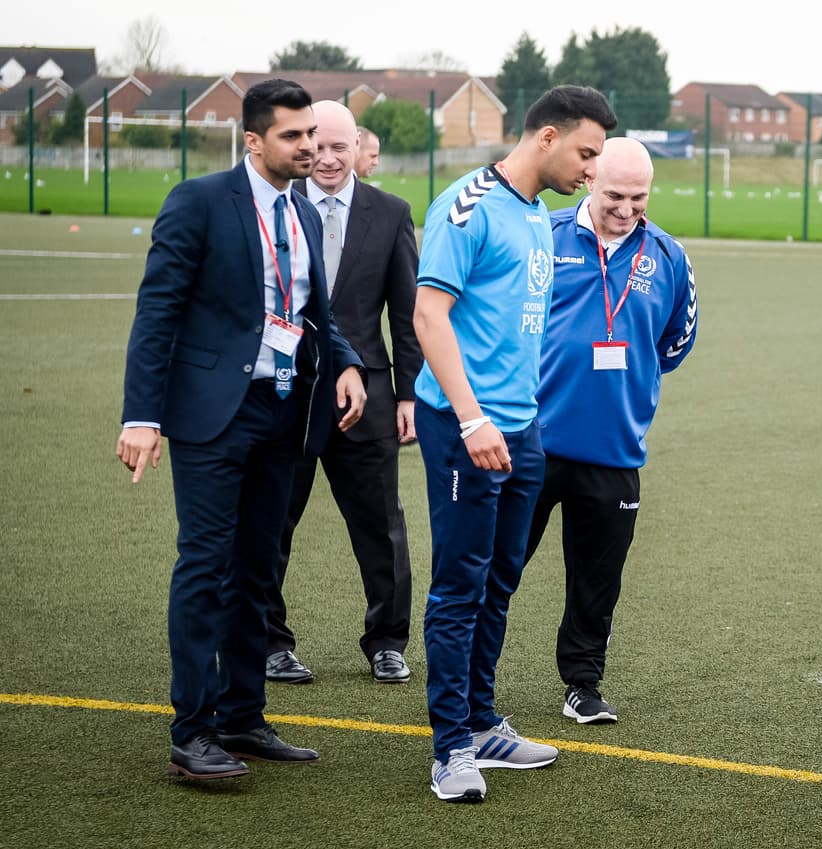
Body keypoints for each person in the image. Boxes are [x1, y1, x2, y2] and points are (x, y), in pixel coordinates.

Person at [115, 78, 367, 781]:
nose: (311, 150)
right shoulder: (198, 202)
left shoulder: (305, 214)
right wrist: (142, 416)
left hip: (285, 411)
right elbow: (156, 313)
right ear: (252, 140)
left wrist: (345, 364)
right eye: (294, 137)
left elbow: (316, 313)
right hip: (210, 414)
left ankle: (243, 717)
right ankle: (192, 731)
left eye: (314, 137)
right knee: (205, 568)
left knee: (259, 569)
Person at [413, 84, 617, 803]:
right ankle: (448, 750)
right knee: (460, 583)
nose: (591, 171)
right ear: (547, 136)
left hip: (524, 429)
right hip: (466, 428)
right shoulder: (466, 205)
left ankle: (479, 724)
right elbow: (428, 316)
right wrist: (472, 420)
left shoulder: (537, 215)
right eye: (587, 153)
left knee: (501, 579)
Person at [524, 137, 698, 725]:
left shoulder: (669, 257)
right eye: (614, 195)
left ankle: (583, 684)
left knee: (597, 583)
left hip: (614, 448)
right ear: (590, 180)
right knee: (498, 568)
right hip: (530, 442)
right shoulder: (541, 237)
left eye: (639, 197)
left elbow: (676, 342)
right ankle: (471, 684)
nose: (626, 208)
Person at [264, 100, 421, 686]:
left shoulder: (391, 213)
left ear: (359, 146)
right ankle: (270, 642)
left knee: (381, 523)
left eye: (338, 146)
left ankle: (386, 641)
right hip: (286, 389)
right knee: (272, 518)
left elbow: (407, 314)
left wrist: (409, 395)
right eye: (316, 147)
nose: (326, 159)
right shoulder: (277, 207)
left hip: (371, 397)